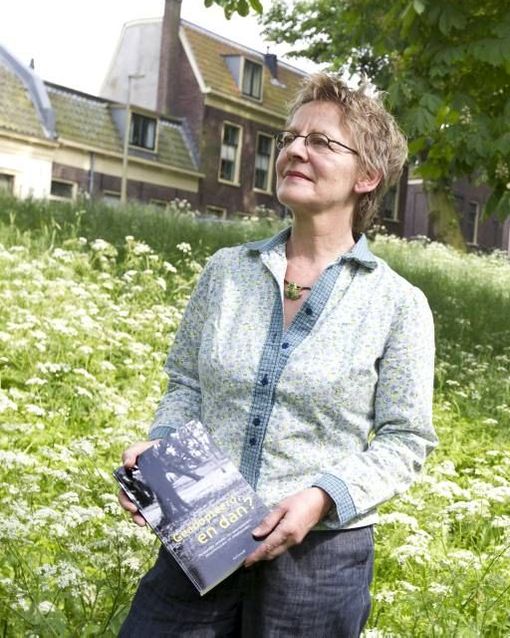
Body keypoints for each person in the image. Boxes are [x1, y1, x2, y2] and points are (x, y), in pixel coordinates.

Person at [117, 73, 437, 637]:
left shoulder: (398, 305)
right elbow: (185, 384)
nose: (294, 150)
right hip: (202, 537)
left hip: (318, 565)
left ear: (368, 176)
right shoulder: (226, 273)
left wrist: (321, 497)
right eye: (291, 137)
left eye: (321, 142)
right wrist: (161, 457)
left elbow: (405, 440)